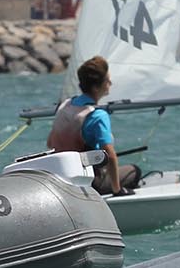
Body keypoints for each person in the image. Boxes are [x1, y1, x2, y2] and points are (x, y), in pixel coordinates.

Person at [46, 55, 140, 195]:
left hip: (61, 178)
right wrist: (117, 190)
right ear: (96, 87)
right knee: (135, 171)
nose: (110, 83)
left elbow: (50, 143)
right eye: (107, 80)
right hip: (89, 182)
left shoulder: (65, 105)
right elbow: (111, 156)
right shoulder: (97, 115)